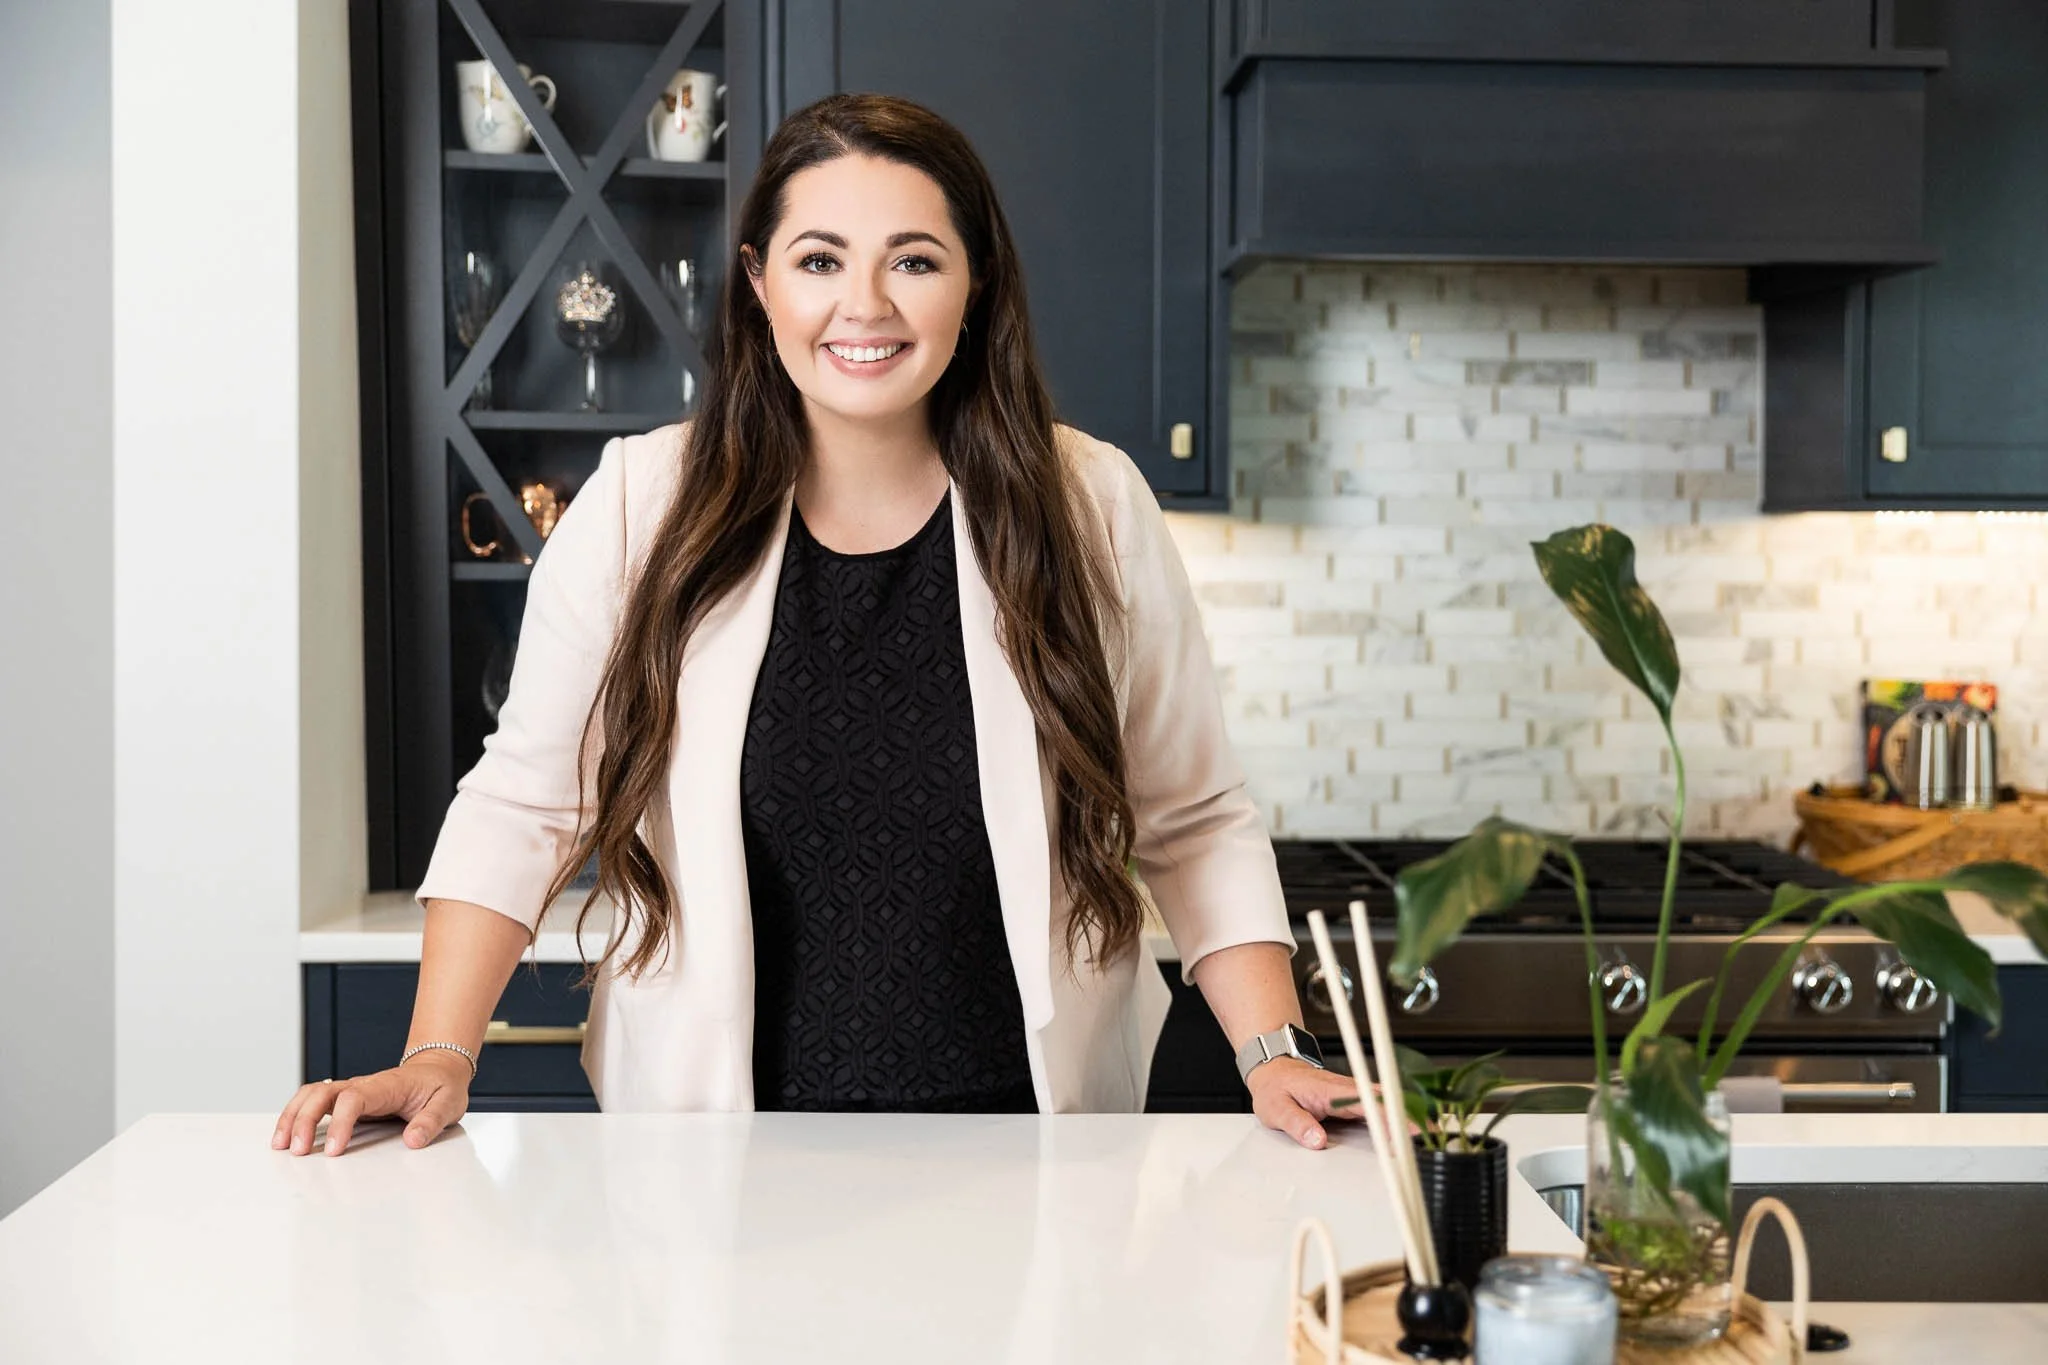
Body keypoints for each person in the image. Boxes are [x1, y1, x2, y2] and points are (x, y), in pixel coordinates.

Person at [273, 92, 1358, 1158]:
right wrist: (436, 1055)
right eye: (820, 259)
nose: (866, 304)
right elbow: (525, 802)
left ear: (974, 287)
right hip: (713, 1150)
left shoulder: (1091, 504)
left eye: (916, 260)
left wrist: (1272, 1050)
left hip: (1029, 1141)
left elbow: (1193, 813)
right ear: (757, 282)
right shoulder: (639, 504)